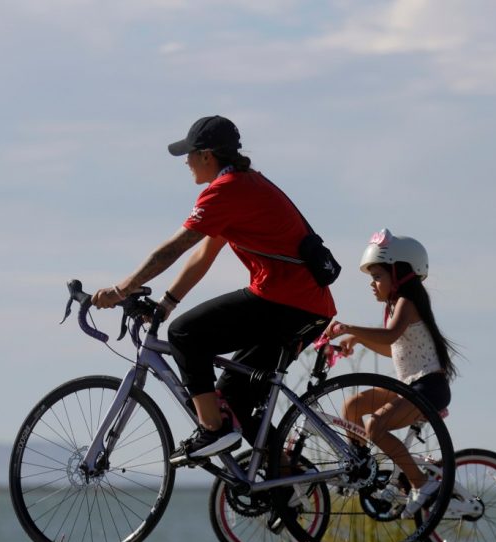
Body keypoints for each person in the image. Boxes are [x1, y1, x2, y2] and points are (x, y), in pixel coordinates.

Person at [91, 116, 336, 463]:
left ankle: (213, 432)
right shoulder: (244, 186)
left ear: (206, 155)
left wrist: (122, 289)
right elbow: (204, 255)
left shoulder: (227, 190)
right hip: (305, 306)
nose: (186, 163)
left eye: (188, 155)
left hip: (286, 301)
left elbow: (173, 249)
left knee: (185, 335)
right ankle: (285, 483)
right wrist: (166, 302)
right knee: (231, 401)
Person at [322, 228, 458, 518]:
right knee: (352, 407)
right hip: (410, 385)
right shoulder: (395, 305)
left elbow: (390, 335)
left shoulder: (408, 303)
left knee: (376, 427)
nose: (372, 284)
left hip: (427, 387)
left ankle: (421, 485)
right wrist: (358, 340)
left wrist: (350, 329)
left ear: (401, 275)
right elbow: (392, 348)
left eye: (378, 276)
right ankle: (361, 468)